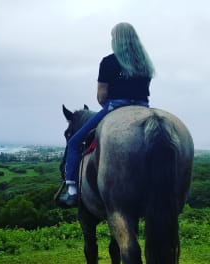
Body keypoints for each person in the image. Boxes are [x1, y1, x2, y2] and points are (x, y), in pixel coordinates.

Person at [59, 22, 155, 207]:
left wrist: (110, 105)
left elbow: (102, 96)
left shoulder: (109, 61)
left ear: (116, 40)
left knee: (74, 142)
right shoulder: (145, 63)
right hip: (144, 107)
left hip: (116, 106)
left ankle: (72, 190)